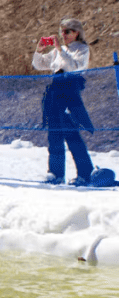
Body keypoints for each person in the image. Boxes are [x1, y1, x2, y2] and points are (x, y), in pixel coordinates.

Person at [33, 18, 94, 185]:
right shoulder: (58, 51)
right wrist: (39, 50)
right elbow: (39, 64)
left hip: (70, 93)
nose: (63, 35)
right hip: (54, 93)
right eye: (61, 31)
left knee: (72, 134)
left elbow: (75, 67)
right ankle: (55, 173)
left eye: (67, 31)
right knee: (54, 135)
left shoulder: (82, 49)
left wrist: (60, 49)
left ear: (77, 32)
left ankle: (85, 174)